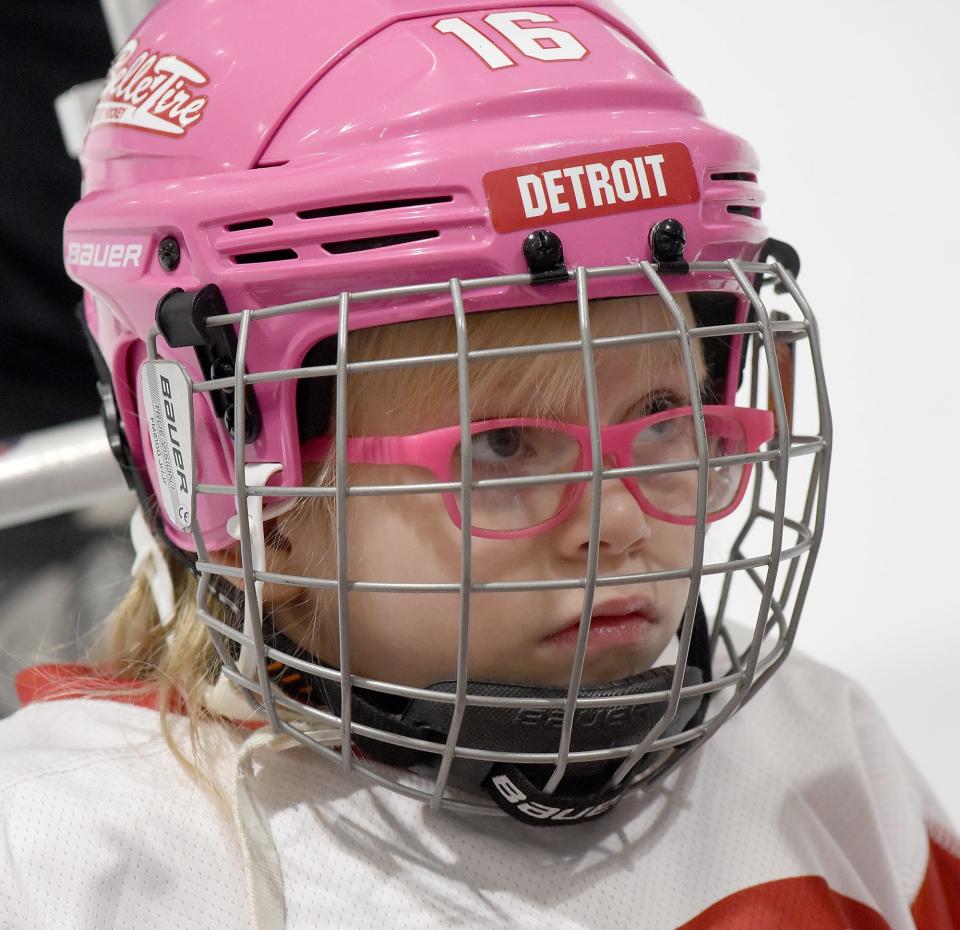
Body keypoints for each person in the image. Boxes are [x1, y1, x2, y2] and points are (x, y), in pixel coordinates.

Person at [1, 1, 958, 928]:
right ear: (238, 473)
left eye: (664, 418)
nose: (619, 523)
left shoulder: (813, 759)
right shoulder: (68, 860)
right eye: (503, 447)